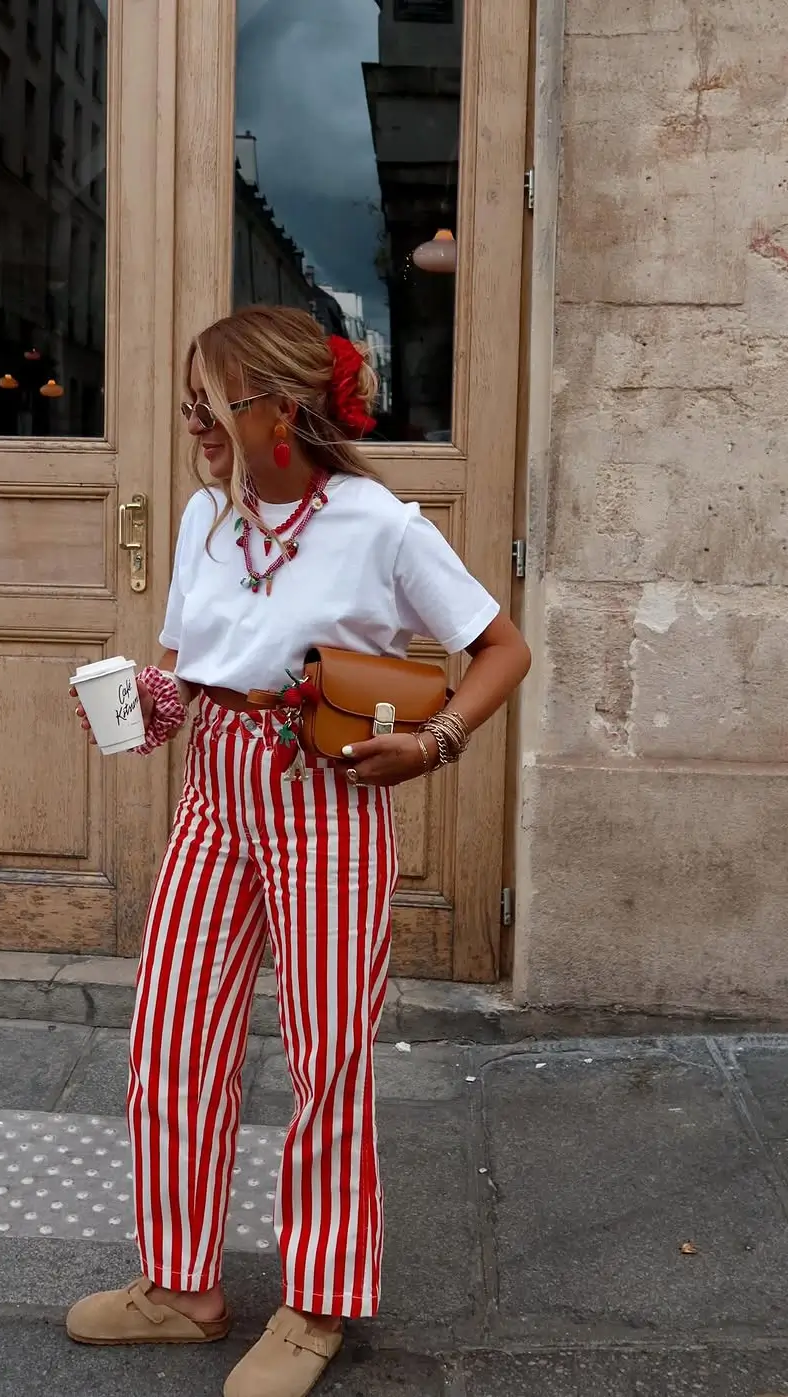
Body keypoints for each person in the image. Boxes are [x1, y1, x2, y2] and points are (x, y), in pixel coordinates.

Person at [66, 305, 531, 1397]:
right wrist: (146, 703)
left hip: (327, 799)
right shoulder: (204, 518)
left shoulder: (380, 526)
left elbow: (501, 648)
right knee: (172, 1033)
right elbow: (190, 667)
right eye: (189, 402)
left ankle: (317, 1299)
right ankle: (182, 1284)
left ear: (281, 411)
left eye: (211, 403)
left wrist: (436, 740)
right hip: (215, 791)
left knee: (328, 1055)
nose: (193, 421)